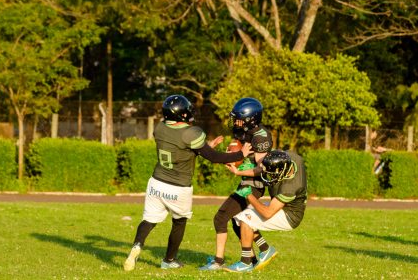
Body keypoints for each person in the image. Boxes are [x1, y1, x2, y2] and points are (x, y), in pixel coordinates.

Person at [123, 94, 252, 271]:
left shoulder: (160, 128)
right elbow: (214, 157)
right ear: (182, 114)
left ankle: (137, 244)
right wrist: (240, 154)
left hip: (156, 182)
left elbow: (181, 148)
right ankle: (168, 260)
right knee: (179, 221)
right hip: (178, 187)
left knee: (149, 220)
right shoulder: (192, 132)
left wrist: (205, 146)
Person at [199, 97, 273, 271]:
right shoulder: (244, 131)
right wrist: (234, 157)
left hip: (254, 185)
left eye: (238, 117)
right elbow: (241, 155)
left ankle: (218, 261)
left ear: (250, 119)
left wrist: (238, 168)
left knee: (221, 217)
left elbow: (262, 169)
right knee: (236, 221)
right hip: (247, 182)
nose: (234, 121)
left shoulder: (261, 137)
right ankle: (260, 253)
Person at [223, 149, 307, 272]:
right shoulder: (292, 158)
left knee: (245, 218)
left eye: (272, 174)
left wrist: (249, 195)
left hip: (290, 215)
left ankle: (246, 262)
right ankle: (265, 249)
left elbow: (267, 213)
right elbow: (271, 157)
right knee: (238, 215)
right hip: (282, 205)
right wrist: (241, 168)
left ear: (282, 172)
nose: (269, 175)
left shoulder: (289, 187)